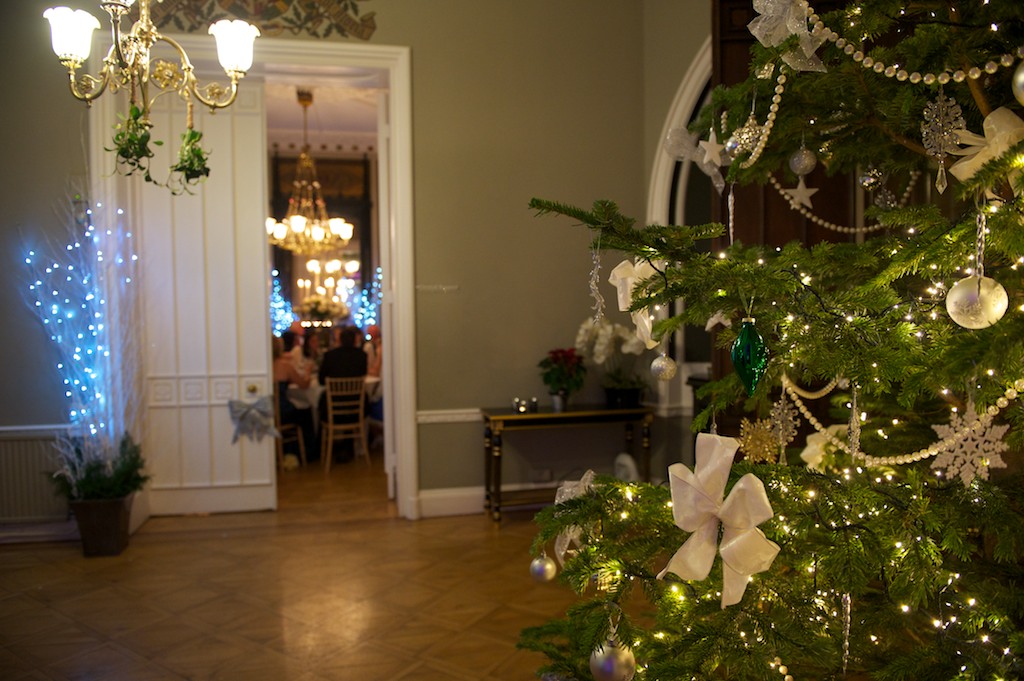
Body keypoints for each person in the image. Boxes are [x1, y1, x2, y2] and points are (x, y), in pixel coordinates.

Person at [318, 325, 368, 463]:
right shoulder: (361, 356)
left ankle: (323, 448)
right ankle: (348, 446)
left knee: (320, 402)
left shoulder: (330, 356)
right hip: (357, 408)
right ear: (355, 341)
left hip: (332, 409)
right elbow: (363, 374)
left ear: (339, 340)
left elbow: (321, 380)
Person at [272, 335, 315, 461]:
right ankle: (307, 453)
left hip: (267, 412)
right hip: (283, 412)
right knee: (306, 411)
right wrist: (308, 371)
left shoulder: (261, 367)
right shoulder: (284, 366)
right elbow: (304, 384)